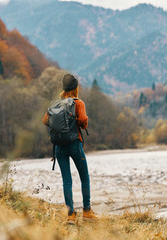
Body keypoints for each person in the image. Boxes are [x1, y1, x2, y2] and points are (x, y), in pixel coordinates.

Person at [42, 73, 98, 222]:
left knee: (67, 181)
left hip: (59, 147)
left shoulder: (55, 104)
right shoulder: (78, 103)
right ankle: (86, 211)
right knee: (84, 177)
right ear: (75, 88)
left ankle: (71, 215)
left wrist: (59, 126)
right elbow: (84, 121)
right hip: (74, 144)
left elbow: (45, 120)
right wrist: (78, 122)